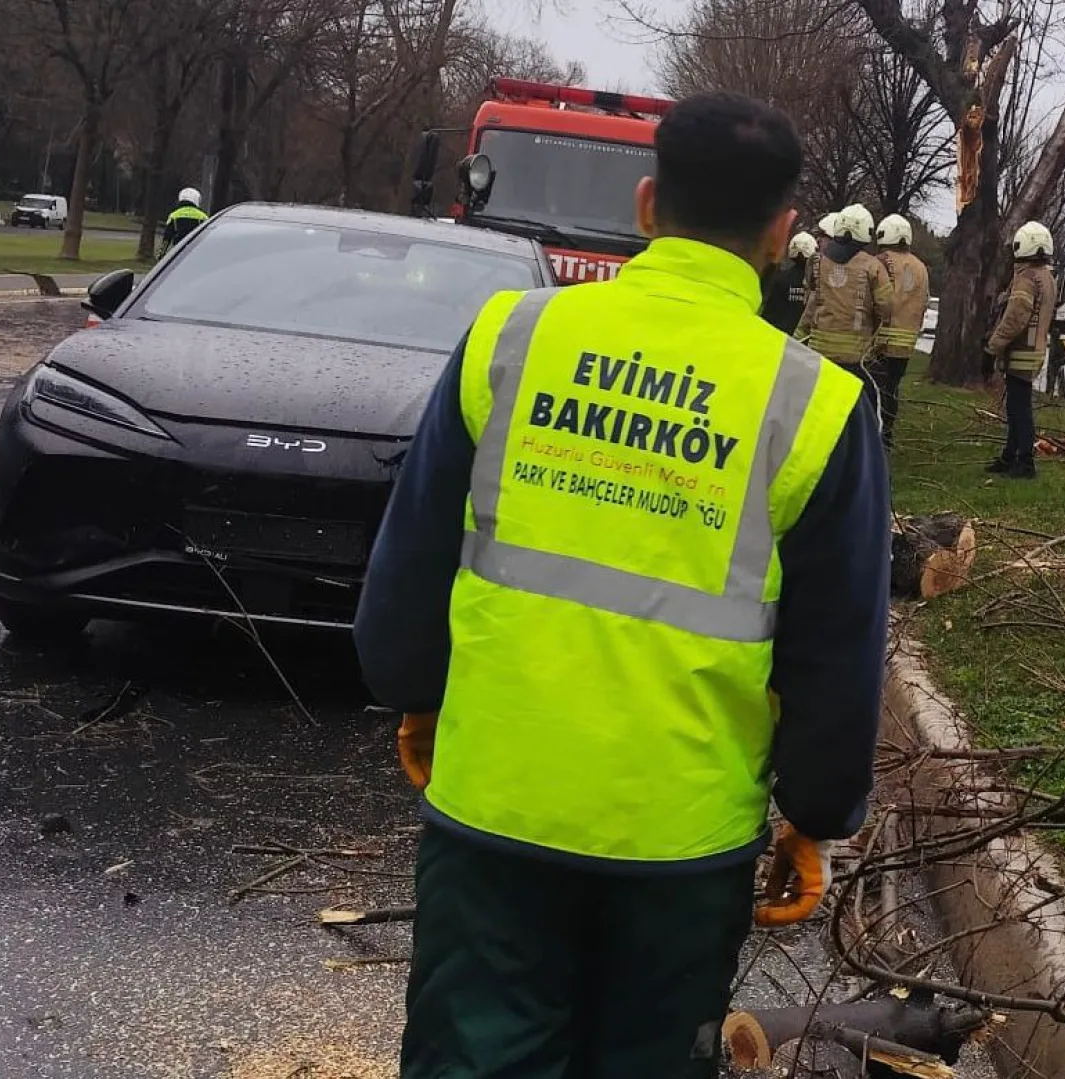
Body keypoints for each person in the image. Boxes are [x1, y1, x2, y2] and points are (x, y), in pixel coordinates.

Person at [353, 92, 890, 1079]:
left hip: (495, 813)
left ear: (648, 205)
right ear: (781, 234)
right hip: (682, 851)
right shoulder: (818, 407)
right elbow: (838, 651)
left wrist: (416, 694)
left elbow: (412, 564)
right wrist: (814, 811)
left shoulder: (508, 337)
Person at [797, 203, 893, 425]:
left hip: (818, 353)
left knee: (816, 411)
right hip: (855, 358)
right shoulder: (873, 266)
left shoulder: (816, 261)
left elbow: (811, 300)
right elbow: (886, 307)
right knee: (861, 414)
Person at [984, 221, 1057, 480]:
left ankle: (1024, 462)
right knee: (1017, 407)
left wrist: (993, 346)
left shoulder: (1027, 278)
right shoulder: (1047, 277)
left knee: (1019, 410)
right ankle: (1010, 456)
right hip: (1035, 351)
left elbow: (1015, 318)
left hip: (1021, 352)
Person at [873, 213, 929, 448]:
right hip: (906, 344)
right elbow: (924, 302)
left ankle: (874, 435)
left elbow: (875, 298)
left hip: (881, 341)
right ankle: (887, 434)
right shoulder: (921, 267)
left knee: (875, 391)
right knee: (892, 389)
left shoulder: (882, 261)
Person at [761, 230, 814, 334]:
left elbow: (769, 314)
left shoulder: (780, 279)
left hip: (781, 336)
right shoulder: (817, 282)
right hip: (805, 340)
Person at [161, 187, 208, 252]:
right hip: (195, 251)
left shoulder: (174, 215)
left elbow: (166, 239)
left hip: (178, 252)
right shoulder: (203, 217)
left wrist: (161, 256)